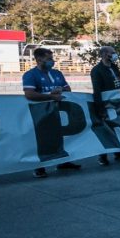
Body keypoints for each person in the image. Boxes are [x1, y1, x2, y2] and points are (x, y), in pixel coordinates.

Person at [23, 47, 84, 179]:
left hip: (59, 111)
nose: (52, 61)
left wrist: (61, 91)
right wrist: (51, 96)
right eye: (49, 59)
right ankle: (39, 168)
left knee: (61, 137)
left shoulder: (57, 73)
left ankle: (63, 162)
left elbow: (67, 88)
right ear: (39, 59)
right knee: (43, 141)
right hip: (41, 113)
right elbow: (29, 94)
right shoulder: (30, 75)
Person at [90, 45, 120, 167]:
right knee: (106, 130)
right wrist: (100, 108)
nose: (115, 55)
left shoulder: (114, 67)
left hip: (117, 103)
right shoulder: (97, 71)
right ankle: (102, 156)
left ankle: (119, 153)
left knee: (118, 128)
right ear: (105, 54)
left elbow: (119, 80)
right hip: (107, 104)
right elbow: (97, 91)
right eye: (112, 52)